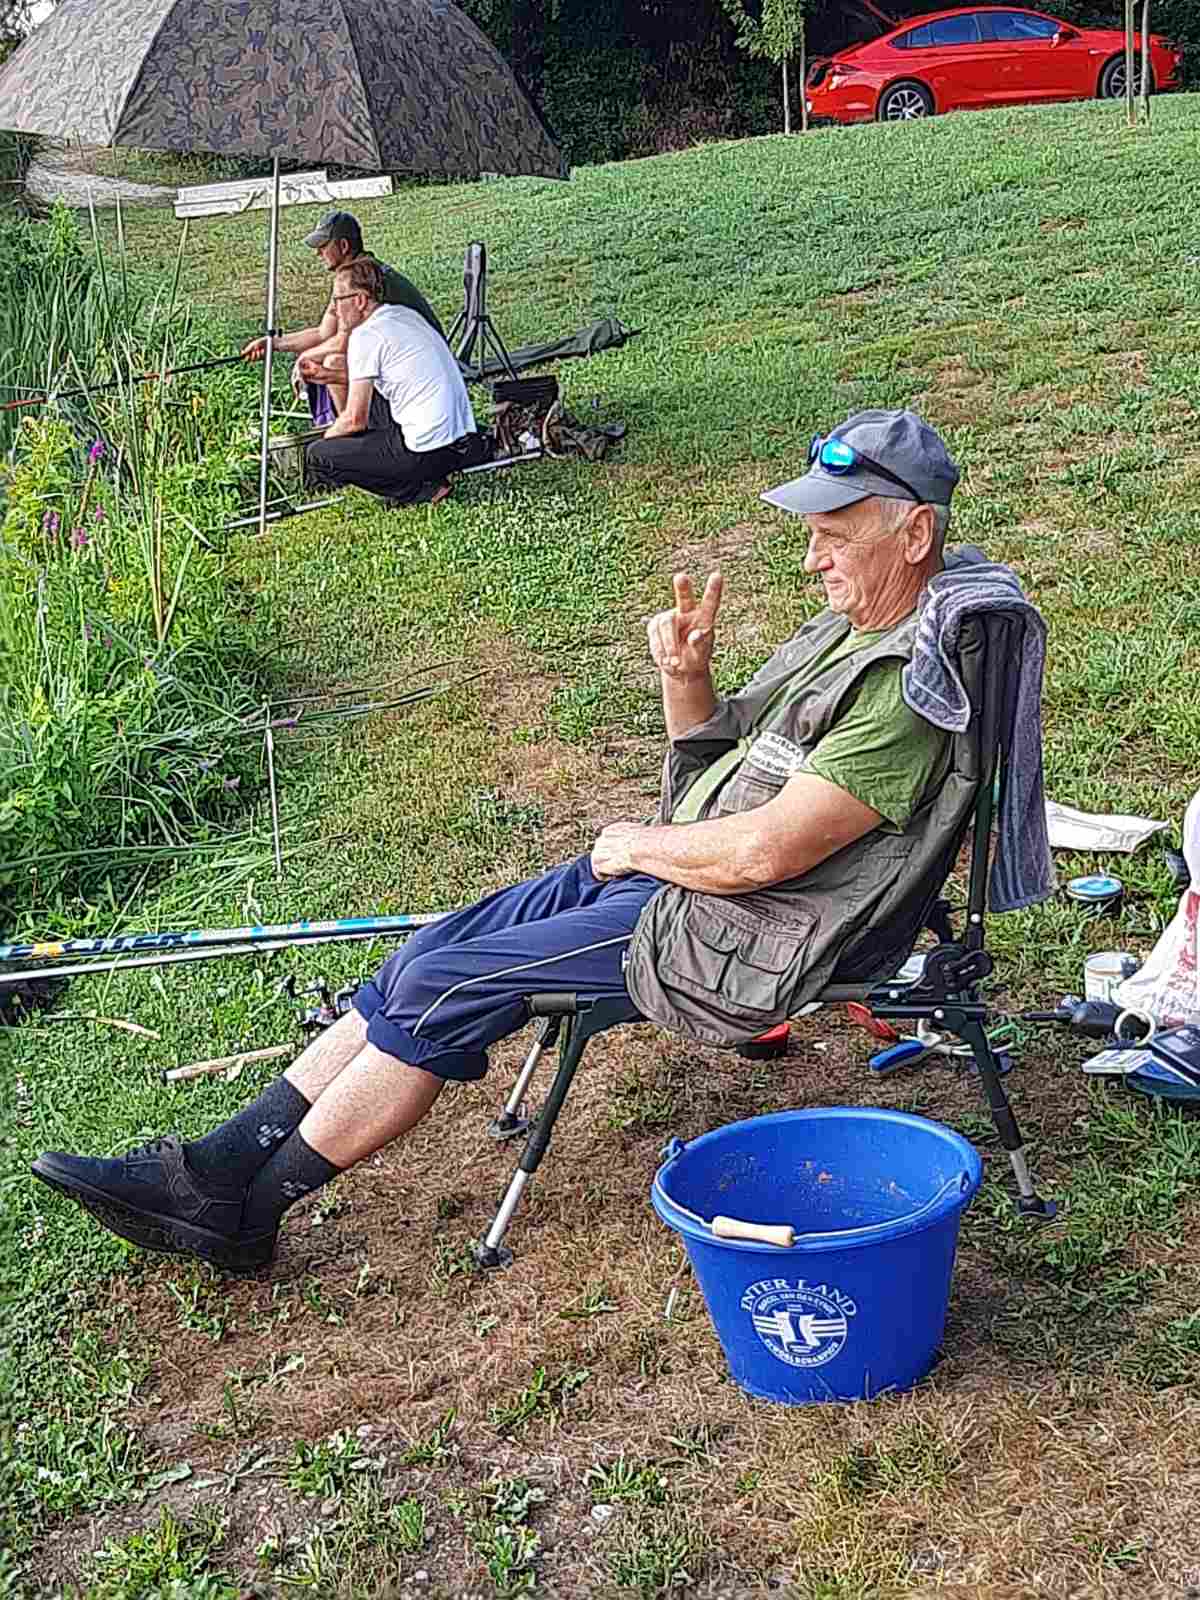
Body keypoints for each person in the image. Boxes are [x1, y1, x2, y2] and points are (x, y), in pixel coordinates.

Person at [33, 409, 968, 1272]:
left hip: (750, 921)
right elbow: (715, 756)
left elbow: (771, 855)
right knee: (431, 949)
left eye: (833, 535)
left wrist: (639, 847)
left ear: (915, 534)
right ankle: (219, 1164)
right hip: (691, 872)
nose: (810, 560)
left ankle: (246, 1208)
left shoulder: (903, 682)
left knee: (448, 985)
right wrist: (685, 677)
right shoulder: (850, 628)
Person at [303, 258, 487, 508]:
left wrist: (328, 439)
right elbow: (388, 379)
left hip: (426, 452)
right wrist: (326, 375)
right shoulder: (403, 314)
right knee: (363, 418)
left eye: (338, 300)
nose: (335, 309)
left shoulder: (365, 335)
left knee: (318, 454)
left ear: (360, 300)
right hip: (458, 442)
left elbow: (354, 419)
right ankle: (406, 469)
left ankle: (418, 490)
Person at [240, 210, 447, 427]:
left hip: (424, 373)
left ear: (344, 246)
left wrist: (305, 358)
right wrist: (273, 344)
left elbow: (342, 342)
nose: (318, 253)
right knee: (328, 360)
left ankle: (354, 431)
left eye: (323, 246)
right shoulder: (351, 275)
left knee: (333, 362)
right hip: (407, 363)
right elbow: (324, 332)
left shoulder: (362, 280)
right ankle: (352, 428)